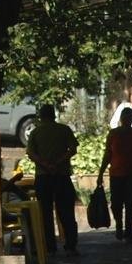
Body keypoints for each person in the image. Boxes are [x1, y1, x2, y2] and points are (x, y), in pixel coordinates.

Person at [25, 104, 79, 256]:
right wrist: (58, 162)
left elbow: (30, 153)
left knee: (45, 213)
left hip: (43, 176)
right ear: (54, 115)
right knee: (67, 212)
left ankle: (49, 246)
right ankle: (71, 244)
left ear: (41, 117)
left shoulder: (36, 132)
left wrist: (45, 164)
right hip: (62, 175)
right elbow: (72, 149)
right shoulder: (64, 130)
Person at [97, 107, 132, 244]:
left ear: (131, 119)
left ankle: (129, 233)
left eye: (129, 117)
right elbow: (107, 155)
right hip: (117, 173)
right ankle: (119, 225)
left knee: (130, 204)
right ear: (122, 119)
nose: (127, 120)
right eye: (125, 117)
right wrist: (101, 173)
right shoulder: (113, 134)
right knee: (116, 203)